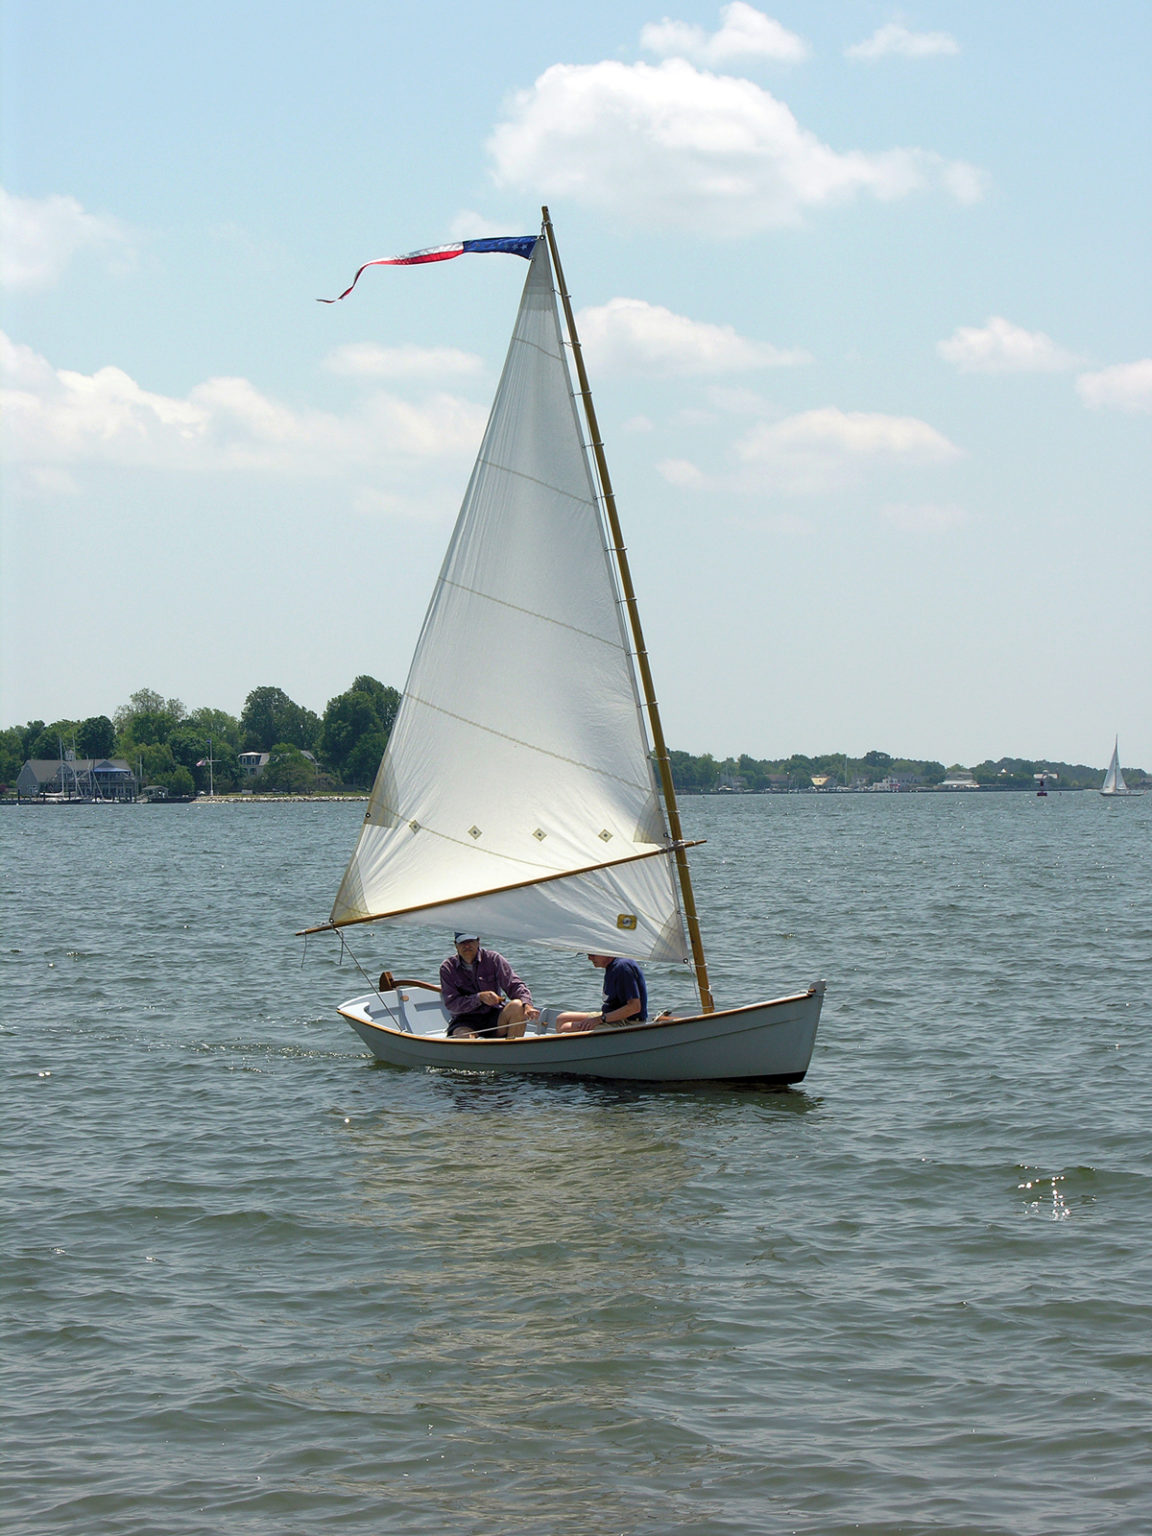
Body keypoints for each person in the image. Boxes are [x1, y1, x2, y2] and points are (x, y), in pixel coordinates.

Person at [439, 933, 539, 1039]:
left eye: (470, 941)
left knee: (517, 1005)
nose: (467, 946)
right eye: (463, 942)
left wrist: (527, 1005)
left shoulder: (494, 959)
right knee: (464, 1036)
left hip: (494, 1014)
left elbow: (514, 985)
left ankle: (512, 1051)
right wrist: (479, 997)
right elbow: (451, 1004)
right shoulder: (447, 968)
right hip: (465, 1019)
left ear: (478, 941)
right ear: (456, 945)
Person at [555, 954, 648, 1034]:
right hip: (610, 1015)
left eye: (592, 954)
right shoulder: (612, 966)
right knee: (562, 1018)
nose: (589, 958)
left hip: (628, 1022)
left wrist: (600, 1019)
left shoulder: (622, 968)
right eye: (588, 954)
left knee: (565, 1028)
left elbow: (634, 1007)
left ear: (605, 952)